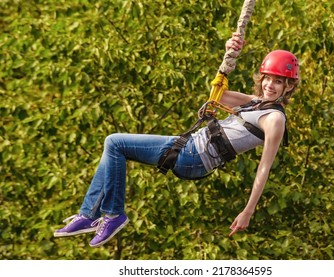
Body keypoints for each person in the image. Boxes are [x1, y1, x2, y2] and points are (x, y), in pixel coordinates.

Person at [54, 33, 300, 247]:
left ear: (288, 87)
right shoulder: (255, 102)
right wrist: (228, 55)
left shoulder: (274, 119)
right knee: (114, 147)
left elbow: (264, 168)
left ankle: (111, 214)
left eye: (278, 81)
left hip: (193, 155)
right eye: (267, 78)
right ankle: (89, 214)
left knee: (114, 142)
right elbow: (218, 94)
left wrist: (248, 211)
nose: (270, 85)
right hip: (189, 146)